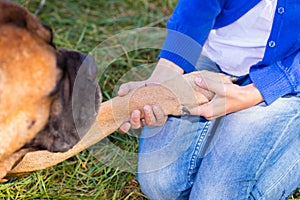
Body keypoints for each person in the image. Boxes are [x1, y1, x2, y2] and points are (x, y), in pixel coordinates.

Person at [118, 0, 300, 199]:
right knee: (161, 186)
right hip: (216, 56)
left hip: (287, 74)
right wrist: (163, 78)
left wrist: (255, 92)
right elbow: (197, 7)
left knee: (214, 196)